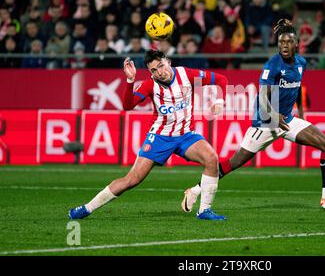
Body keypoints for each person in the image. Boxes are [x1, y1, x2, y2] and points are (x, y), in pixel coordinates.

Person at [182, 19, 325, 213]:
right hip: (265, 121)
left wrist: (302, 114)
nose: (284, 46)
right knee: (236, 162)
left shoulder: (301, 63)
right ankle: (196, 190)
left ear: (296, 43)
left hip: (287, 119)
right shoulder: (272, 65)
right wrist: (273, 115)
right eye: (281, 43)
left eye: (288, 42)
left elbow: (296, 88)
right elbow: (263, 97)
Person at [69, 50, 228, 221]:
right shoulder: (149, 85)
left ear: (168, 62)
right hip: (160, 137)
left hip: (186, 135)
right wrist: (130, 80)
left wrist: (219, 101)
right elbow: (127, 106)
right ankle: (86, 208)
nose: (159, 72)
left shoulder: (186, 74)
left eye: (161, 66)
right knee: (132, 180)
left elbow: (221, 79)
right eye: (154, 70)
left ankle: (204, 211)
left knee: (212, 159)